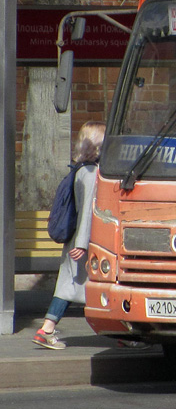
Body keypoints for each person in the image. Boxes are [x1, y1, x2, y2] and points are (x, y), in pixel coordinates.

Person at [33, 121, 105, 350]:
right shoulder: (92, 174)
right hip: (85, 243)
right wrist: (83, 244)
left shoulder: (79, 169)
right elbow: (86, 212)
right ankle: (46, 330)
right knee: (97, 288)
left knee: (67, 287)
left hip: (75, 240)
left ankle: (46, 329)